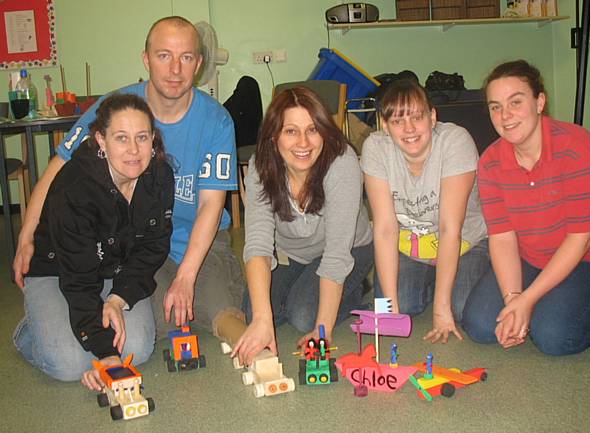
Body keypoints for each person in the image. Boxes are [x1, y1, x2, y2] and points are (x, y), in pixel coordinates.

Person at [12, 16, 245, 340]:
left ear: (199, 63)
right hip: (142, 243)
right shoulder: (116, 108)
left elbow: (210, 206)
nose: (175, 69)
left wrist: (186, 276)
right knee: (157, 324)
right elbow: (57, 169)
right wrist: (27, 234)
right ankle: (40, 328)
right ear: (146, 59)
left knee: (221, 307)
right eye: (164, 56)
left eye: (186, 57)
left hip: (203, 239)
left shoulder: (217, 120)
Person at [462, 60, 590, 355]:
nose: (506, 116)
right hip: (533, 255)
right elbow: (502, 239)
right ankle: (545, 299)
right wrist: (514, 296)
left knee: (554, 336)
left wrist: (527, 301)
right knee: (479, 324)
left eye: (516, 102)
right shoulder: (490, 162)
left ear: (540, 102)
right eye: (495, 107)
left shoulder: (580, 149)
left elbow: (580, 240)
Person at [13, 94, 174, 389]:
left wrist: (117, 298)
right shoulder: (74, 188)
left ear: (153, 138)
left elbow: (153, 247)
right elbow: (78, 281)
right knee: (69, 363)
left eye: (142, 137)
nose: (134, 151)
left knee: (138, 347)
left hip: (115, 270)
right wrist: (106, 356)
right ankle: (30, 329)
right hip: (60, 270)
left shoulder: (160, 176)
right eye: (121, 138)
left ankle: (76, 328)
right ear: (101, 140)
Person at [231, 86, 374, 365]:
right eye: (291, 131)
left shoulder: (342, 162)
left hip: (350, 249)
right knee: (254, 313)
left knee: (303, 315)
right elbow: (258, 244)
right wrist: (262, 319)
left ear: (324, 130)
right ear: (274, 136)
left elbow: (336, 255)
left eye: (312, 129)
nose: (303, 143)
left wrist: (324, 331)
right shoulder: (262, 165)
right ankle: (304, 290)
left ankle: (353, 290)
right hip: (295, 253)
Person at [360, 79, 490, 343]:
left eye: (417, 117)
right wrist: (390, 307)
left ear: (432, 117)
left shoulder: (455, 141)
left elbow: (449, 228)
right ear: (385, 126)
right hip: (413, 246)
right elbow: (385, 229)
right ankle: (432, 282)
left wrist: (442, 309)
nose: (409, 129)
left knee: (461, 309)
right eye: (397, 121)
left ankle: (446, 288)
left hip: (465, 242)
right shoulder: (375, 148)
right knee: (402, 306)